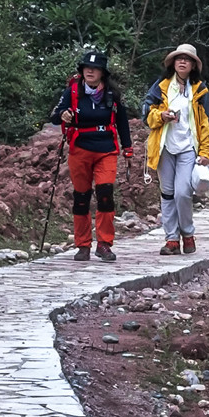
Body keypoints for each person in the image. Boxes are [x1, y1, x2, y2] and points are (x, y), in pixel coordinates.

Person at [52, 49, 132, 262]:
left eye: (95, 68)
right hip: (80, 149)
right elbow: (53, 116)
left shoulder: (112, 95)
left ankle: (104, 244)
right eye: (87, 67)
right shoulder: (72, 92)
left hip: (106, 148)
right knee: (81, 198)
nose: (90, 71)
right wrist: (63, 115)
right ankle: (83, 245)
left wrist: (128, 147)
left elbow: (122, 121)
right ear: (82, 70)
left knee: (105, 194)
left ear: (102, 73)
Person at [144, 43, 209, 255]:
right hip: (165, 146)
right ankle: (171, 239)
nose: (182, 62)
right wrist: (161, 116)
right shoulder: (161, 87)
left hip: (188, 148)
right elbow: (146, 115)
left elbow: (207, 124)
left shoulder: (200, 90)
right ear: (173, 63)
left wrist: (205, 152)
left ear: (194, 65)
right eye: (179, 58)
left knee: (183, 193)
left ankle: (187, 233)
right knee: (167, 193)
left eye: (187, 59)